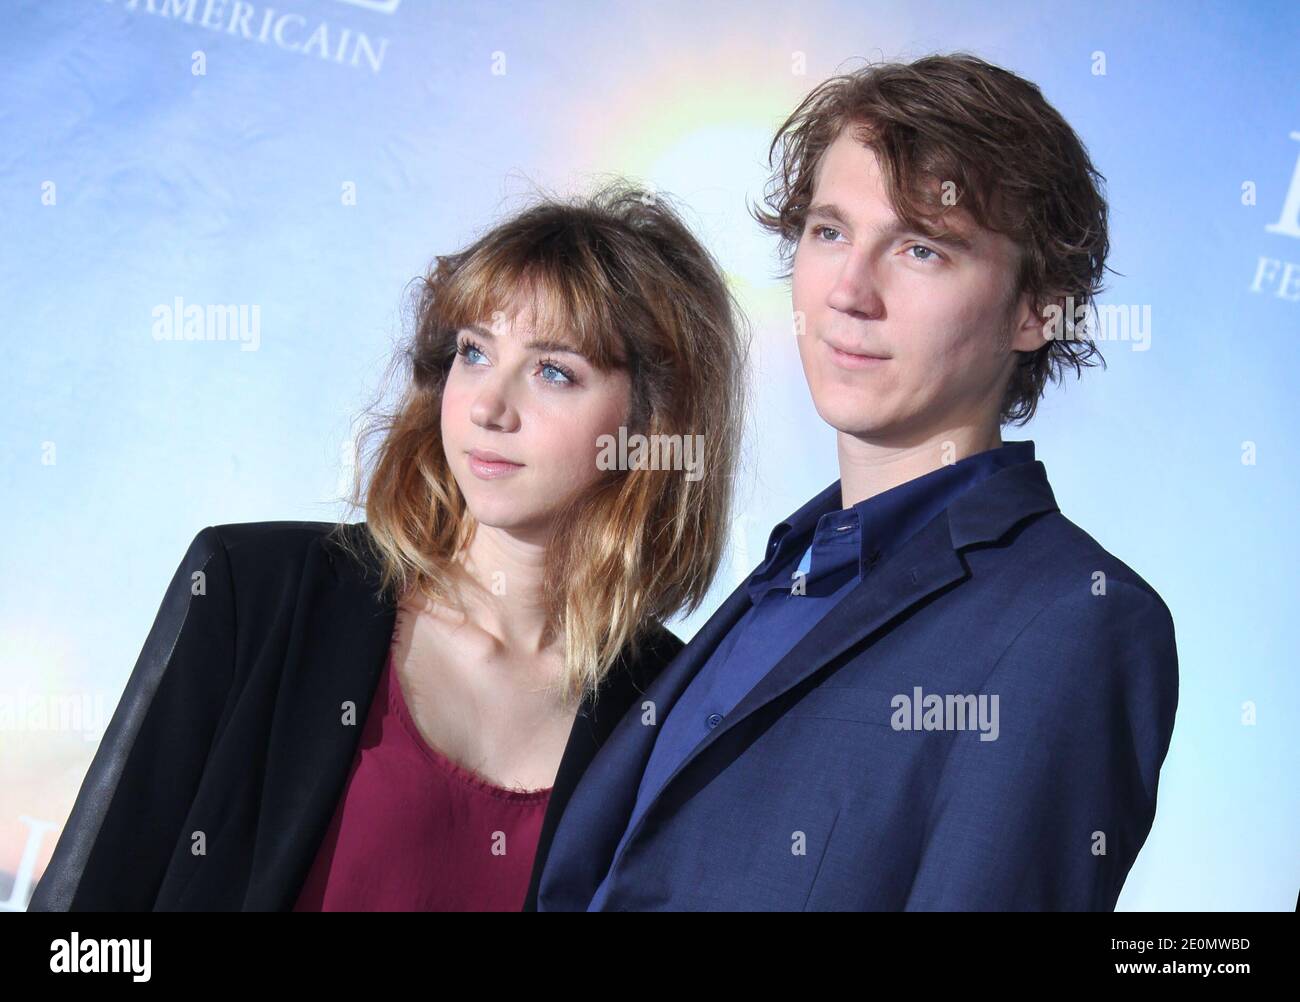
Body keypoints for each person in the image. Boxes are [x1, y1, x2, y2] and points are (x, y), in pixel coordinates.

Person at [533, 52, 1180, 911]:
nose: (848, 290)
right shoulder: (779, 577)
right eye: (829, 231)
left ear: (1036, 311)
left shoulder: (1073, 619)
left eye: (921, 248)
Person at [27, 181, 747, 911]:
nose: (489, 407)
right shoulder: (258, 592)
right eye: (474, 352)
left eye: (553, 371)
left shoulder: (670, 708)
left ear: (653, 425)